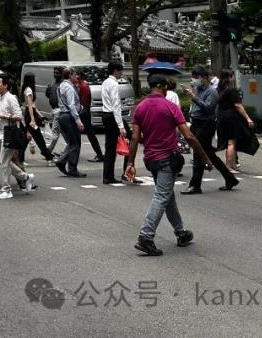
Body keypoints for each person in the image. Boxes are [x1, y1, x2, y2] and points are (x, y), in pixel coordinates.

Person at [124, 74, 214, 256]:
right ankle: (146, 236)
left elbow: (134, 138)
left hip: (150, 160)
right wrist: (204, 158)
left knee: (167, 196)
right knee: (161, 197)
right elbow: (188, 136)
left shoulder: (140, 107)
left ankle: (181, 233)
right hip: (166, 158)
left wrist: (130, 163)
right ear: (163, 86)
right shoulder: (170, 106)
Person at [181, 67, 238, 195]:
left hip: (206, 124)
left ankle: (195, 185)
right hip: (196, 123)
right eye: (193, 76)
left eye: (197, 77)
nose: (195, 79)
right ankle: (230, 179)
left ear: (205, 77)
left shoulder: (211, 91)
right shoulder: (197, 89)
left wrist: (193, 97)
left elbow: (208, 108)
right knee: (209, 154)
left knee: (198, 153)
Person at [0, 74, 35, 199]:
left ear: (6, 85)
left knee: (4, 162)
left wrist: (5, 116)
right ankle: (25, 177)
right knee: (4, 161)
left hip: (9, 134)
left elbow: (18, 116)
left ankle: (6, 189)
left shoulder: (11, 98)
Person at [216, 70, 254, 172]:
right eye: (232, 76)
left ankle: (232, 164)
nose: (233, 78)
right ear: (229, 78)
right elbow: (238, 105)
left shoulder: (219, 89)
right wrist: (248, 118)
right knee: (231, 142)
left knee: (229, 142)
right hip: (231, 117)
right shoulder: (232, 90)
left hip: (221, 116)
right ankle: (228, 167)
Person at [100, 61, 129, 186]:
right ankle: (126, 171)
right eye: (120, 71)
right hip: (113, 115)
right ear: (115, 71)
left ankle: (108, 175)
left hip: (105, 115)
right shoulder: (114, 84)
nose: (122, 73)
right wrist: (121, 126)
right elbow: (116, 105)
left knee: (109, 147)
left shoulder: (105, 82)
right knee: (131, 138)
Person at [53, 68, 86, 178]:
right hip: (69, 116)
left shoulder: (61, 86)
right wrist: (78, 120)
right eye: (75, 74)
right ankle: (71, 167)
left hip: (62, 115)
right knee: (75, 143)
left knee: (72, 142)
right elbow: (71, 105)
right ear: (70, 75)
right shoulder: (69, 88)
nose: (76, 77)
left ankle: (63, 163)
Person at [21, 76, 54, 163]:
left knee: (27, 138)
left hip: (29, 114)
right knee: (38, 137)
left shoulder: (26, 89)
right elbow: (30, 106)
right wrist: (32, 120)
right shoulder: (29, 90)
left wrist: (40, 115)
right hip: (30, 115)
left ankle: (20, 158)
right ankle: (48, 157)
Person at [75, 70, 105, 162]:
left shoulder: (84, 86)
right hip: (83, 112)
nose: (75, 77)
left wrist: (81, 112)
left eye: (77, 75)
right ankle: (99, 154)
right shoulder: (81, 86)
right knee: (87, 134)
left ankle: (99, 154)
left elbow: (84, 102)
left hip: (84, 113)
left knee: (89, 134)